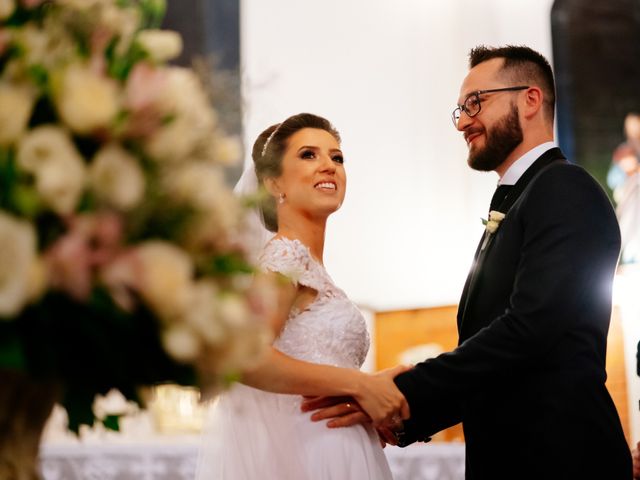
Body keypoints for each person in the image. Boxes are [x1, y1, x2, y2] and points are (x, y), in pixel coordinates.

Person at [306, 46, 633, 479]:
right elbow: (500, 367)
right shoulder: (524, 199)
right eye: (460, 108)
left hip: (562, 458)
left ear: (530, 100)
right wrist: (405, 418)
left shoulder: (565, 189)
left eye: (476, 102)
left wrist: (402, 392)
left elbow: (528, 332)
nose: (463, 121)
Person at [195, 113, 408, 480]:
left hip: (340, 449)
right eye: (309, 155)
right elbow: (247, 357)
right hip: (309, 457)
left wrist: (365, 396)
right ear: (273, 182)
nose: (328, 165)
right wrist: (360, 384)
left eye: (337, 157)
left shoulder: (309, 267)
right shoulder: (285, 260)